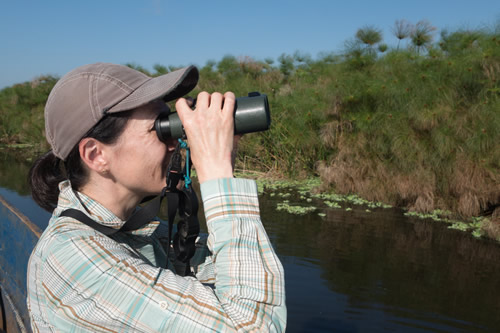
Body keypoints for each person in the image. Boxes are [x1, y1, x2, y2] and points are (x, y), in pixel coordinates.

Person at [27, 62, 286, 332]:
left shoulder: (131, 232)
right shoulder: (74, 259)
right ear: (96, 155)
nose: (175, 142)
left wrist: (221, 151)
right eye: (160, 128)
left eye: (170, 122)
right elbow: (254, 326)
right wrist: (217, 174)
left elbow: (254, 277)